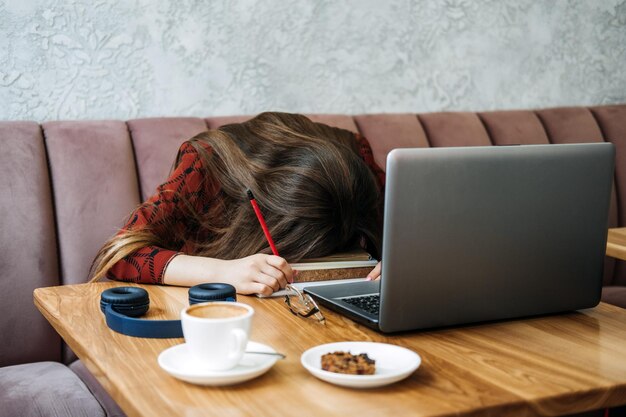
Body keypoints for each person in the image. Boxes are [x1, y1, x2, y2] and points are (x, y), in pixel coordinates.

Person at [90, 112, 384, 296]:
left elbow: (405, 231)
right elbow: (121, 253)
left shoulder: (356, 154)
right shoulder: (208, 164)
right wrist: (224, 272)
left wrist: (402, 259)